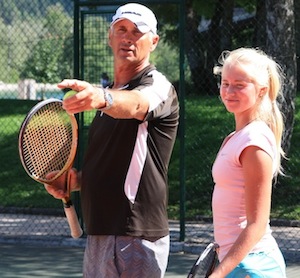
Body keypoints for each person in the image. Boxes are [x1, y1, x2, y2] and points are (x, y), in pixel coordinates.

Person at [44, 3, 179, 278]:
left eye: (137, 32)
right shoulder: (108, 95)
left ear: (153, 41)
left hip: (136, 232)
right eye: (121, 30)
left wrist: (102, 98)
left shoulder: (157, 86)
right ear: (110, 37)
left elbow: (137, 105)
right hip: (101, 230)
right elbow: (116, 161)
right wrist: (76, 181)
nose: (128, 37)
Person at [210, 47, 287, 277]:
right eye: (225, 83)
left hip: (253, 265)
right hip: (238, 263)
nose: (229, 91)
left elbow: (257, 224)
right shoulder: (237, 137)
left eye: (240, 85)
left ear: (261, 91)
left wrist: (219, 273)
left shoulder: (254, 142)